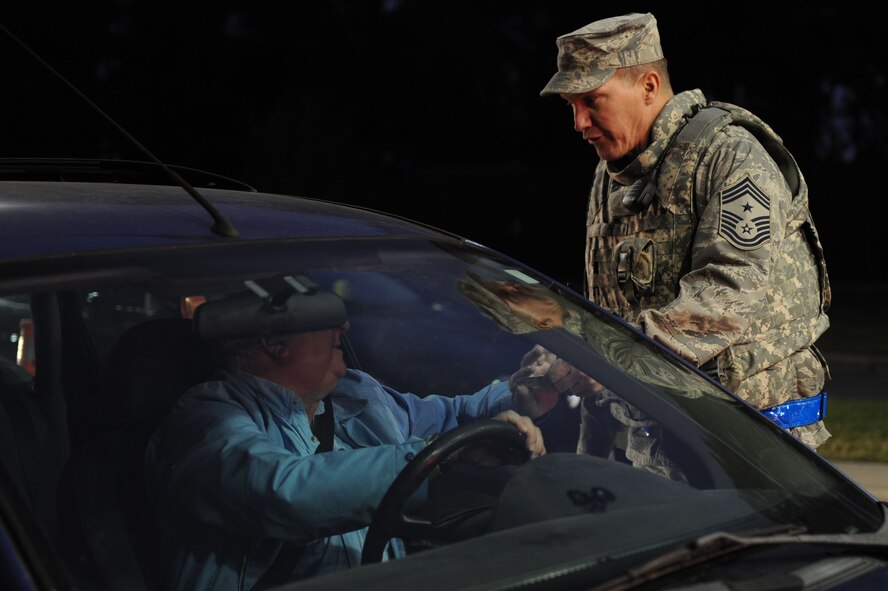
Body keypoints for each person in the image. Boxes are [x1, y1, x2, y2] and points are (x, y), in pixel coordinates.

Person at [539, 12, 832, 449]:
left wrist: (602, 358)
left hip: (751, 446)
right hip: (656, 438)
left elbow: (727, 293)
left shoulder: (729, 156)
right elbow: (607, 309)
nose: (579, 124)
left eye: (593, 101)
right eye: (572, 108)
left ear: (649, 86)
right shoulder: (610, 177)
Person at [145, 308, 545, 590]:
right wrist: (438, 454)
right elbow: (282, 493)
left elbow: (454, 417)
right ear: (274, 339)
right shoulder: (204, 419)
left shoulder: (357, 394)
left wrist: (518, 395)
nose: (345, 323)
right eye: (321, 311)